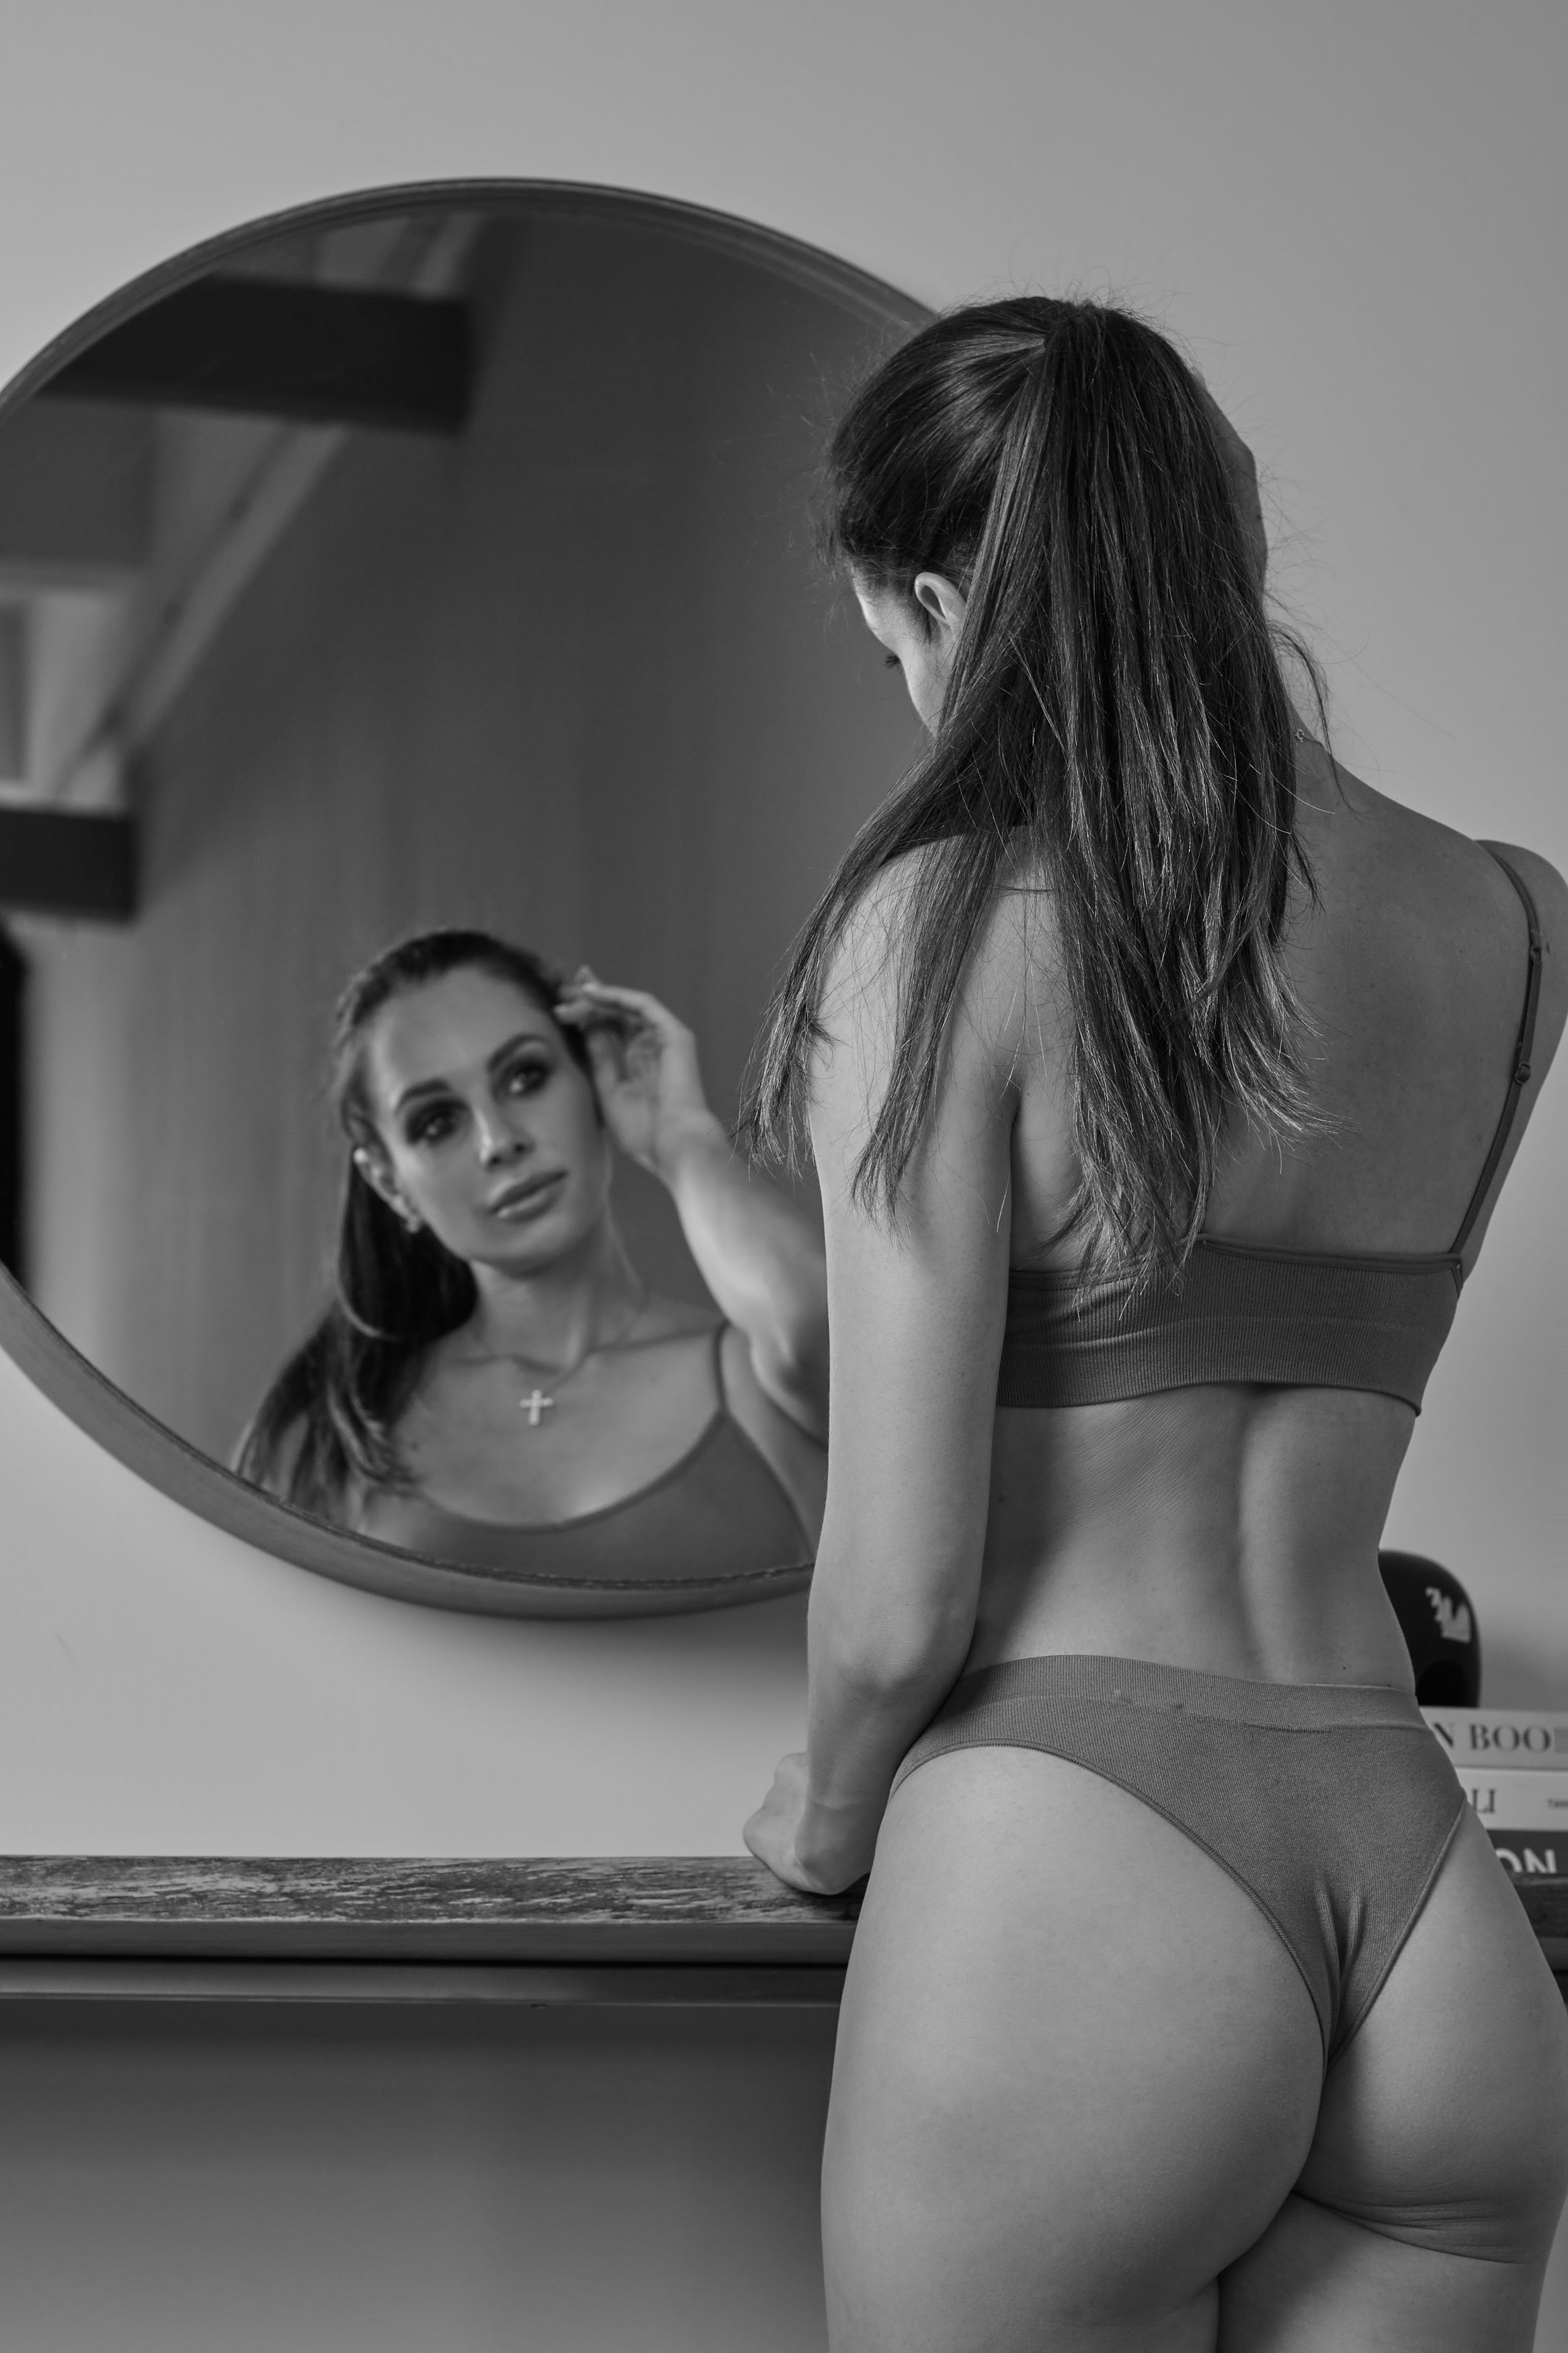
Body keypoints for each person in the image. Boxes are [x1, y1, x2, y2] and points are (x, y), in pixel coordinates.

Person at [741, 296, 1568, 2350]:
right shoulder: (1512, 919)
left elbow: (899, 1599)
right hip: (1423, 1903)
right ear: (1226, 535)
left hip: (1080, 1873)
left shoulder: (942, 929)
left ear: (936, 601)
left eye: (889, 642)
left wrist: (818, 1819)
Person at [239, 930, 827, 1583]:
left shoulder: (760, 1384)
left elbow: (818, 1326)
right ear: (390, 1183)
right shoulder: (333, 1437)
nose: (498, 1140)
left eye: (525, 1077)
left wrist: (682, 1138)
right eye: (437, 1122)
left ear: (591, 1079)